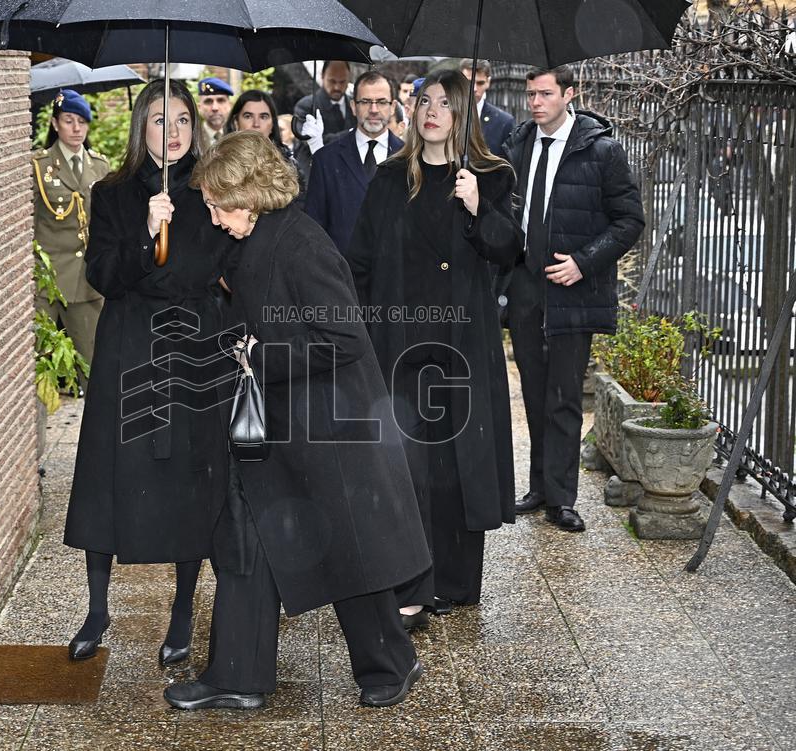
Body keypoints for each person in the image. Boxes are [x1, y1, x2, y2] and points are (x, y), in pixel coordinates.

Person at [164, 131, 431, 711]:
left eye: (217, 204)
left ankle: (392, 662)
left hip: (329, 426)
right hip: (281, 422)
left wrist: (258, 356)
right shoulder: (254, 235)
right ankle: (238, 675)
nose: (212, 217)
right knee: (246, 540)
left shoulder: (304, 245)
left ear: (253, 194)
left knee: (349, 553)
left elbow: (345, 340)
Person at [63, 79, 235, 667]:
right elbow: (103, 275)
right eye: (162, 120)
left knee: (191, 477)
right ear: (143, 127)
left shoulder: (217, 189)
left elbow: (224, 265)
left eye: (184, 119)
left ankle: (184, 610)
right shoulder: (111, 192)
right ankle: (96, 608)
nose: (176, 131)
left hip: (193, 345)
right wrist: (144, 233)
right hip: (130, 344)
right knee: (111, 473)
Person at [346, 69, 521, 627]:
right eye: (425, 101)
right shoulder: (391, 177)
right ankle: (413, 584)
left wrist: (478, 208)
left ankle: (457, 580)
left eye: (446, 102)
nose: (432, 111)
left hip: (462, 346)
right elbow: (361, 260)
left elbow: (510, 250)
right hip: (401, 342)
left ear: (464, 112)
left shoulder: (490, 176)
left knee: (458, 465)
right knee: (408, 466)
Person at [500, 65, 644, 532]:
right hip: (525, 286)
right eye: (531, 94)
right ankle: (539, 486)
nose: (536, 102)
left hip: (573, 288)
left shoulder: (601, 150)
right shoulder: (518, 144)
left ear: (569, 95)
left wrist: (583, 261)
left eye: (545, 94)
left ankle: (562, 498)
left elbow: (629, 221)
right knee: (534, 392)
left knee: (563, 395)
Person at [32, 89, 111, 382]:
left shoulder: (100, 167)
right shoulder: (38, 166)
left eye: (82, 121)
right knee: (37, 366)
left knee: (95, 365)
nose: (77, 129)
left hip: (87, 281)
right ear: (54, 124)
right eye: (68, 121)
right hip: (48, 281)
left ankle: (97, 427)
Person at [305, 71, 404, 255]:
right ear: (353, 106)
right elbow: (314, 228)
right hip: (340, 275)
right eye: (365, 102)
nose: (373, 109)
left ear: (393, 107)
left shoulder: (410, 159)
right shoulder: (326, 159)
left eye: (381, 102)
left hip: (395, 275)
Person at [224, 89, 306, 196]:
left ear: (272, 124)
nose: (256, 124)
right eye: (248, 116)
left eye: (263, 117)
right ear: (235, 122)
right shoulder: (220, 162)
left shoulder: (289, 165)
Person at [291, 60, 357, 174]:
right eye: (332, 81)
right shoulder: (306, 106)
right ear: (322, 76)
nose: (337, 87)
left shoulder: (354, 106)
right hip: (314, 173)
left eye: (342, 82)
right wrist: (352, 134)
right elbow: (307, 139)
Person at [460, 58, 516, 158]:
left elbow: (507, 166)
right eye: (469, 82)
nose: (474, 89)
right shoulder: (445, 115)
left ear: (488, 82)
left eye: (480, 83)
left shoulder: (503, 122)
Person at [198, 77, 233, 144]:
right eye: (208, 101)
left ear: (230, 105)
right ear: (199, 107)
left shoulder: (238, 135)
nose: (215, 108)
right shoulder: (192, 138)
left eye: (221, 100)